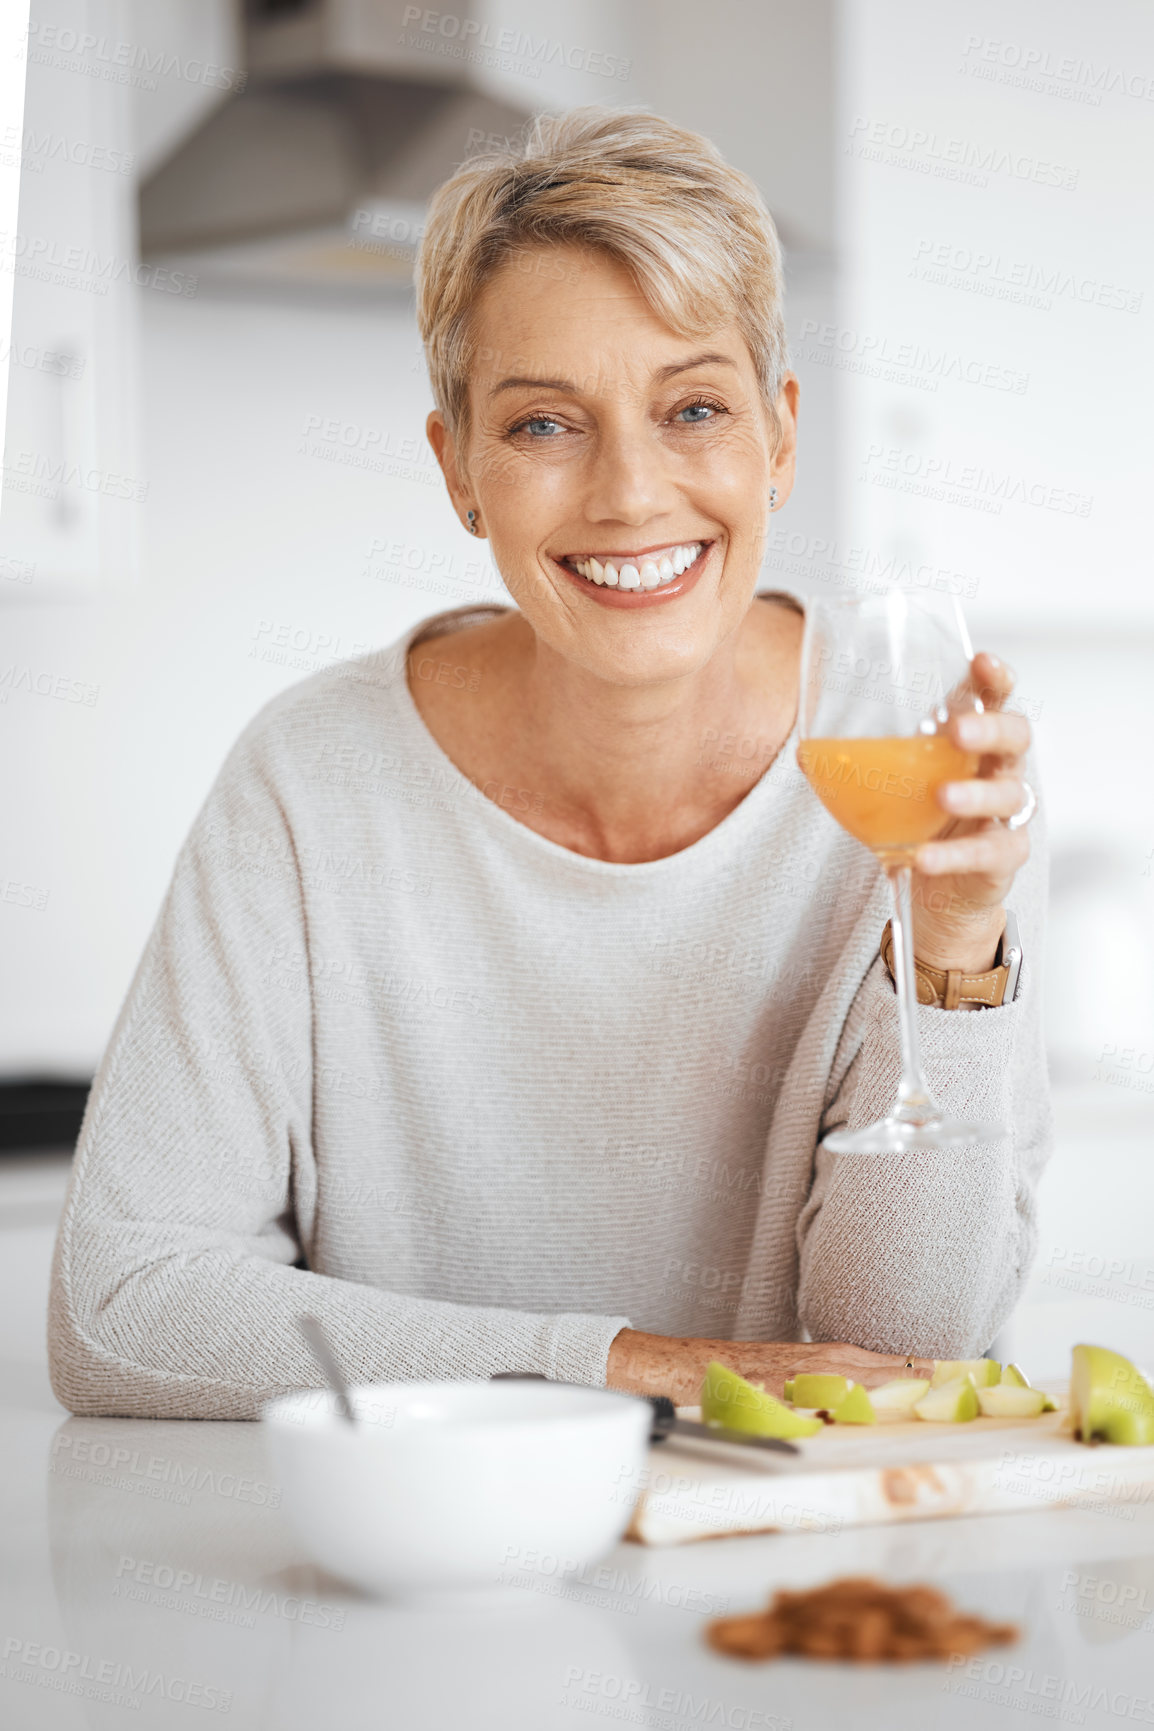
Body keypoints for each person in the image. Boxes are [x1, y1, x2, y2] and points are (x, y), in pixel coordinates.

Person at [48, 107, 1047, 1419]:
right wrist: (630, 1364)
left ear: (779, 439)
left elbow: (898, 1357)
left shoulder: (916, 769)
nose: (628, 493)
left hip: (759, 1576)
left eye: (692, 406)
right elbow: (119, 1308)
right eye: (540, 427)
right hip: (414, 1572)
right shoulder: (310, 781)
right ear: (458, 466)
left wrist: (956, 955)